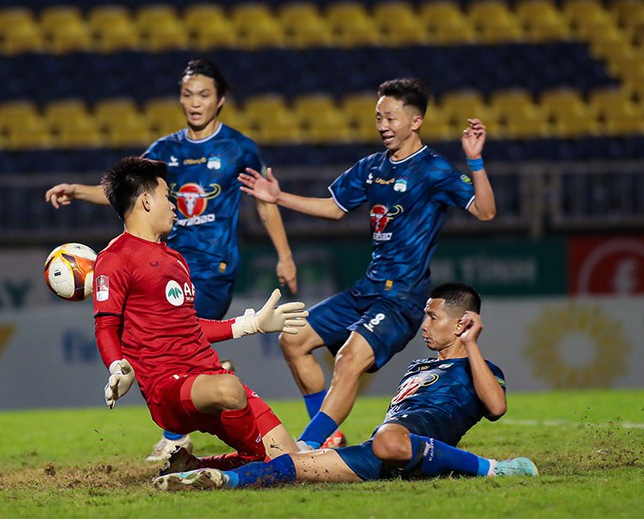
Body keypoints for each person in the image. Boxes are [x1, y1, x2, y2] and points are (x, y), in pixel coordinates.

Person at [45, 58, 298, 460]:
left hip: (211, 268)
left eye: (203, 94)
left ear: (220, 101)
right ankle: (185, 418)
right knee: (165, 337)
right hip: (163, 261)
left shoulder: (240, 148)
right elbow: (126, 191)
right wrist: (77, 190)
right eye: (187, 94)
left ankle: (184, 425)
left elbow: (266, 204)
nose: (194, 102)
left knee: (178, 334)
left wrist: (284, 256)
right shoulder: (164, 152)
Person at [237, 78, 497, 450]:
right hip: (366, 290)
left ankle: (306, 448)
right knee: (292, 339)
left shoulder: (433, 170)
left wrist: (474, 160)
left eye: (390, 117)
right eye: (378, 117)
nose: (382, 125)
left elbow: (486, 211)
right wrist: (278, 197)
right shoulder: (372, 167)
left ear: (415, 121)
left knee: (347, 360)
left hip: (402, 298)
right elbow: (333, 209)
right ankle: (331, 435)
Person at [153, 282, 538, 491]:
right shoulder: (418, 366)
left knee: (388, 439)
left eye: (432, 317)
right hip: (381, 452)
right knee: (288, 465)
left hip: (399, 443)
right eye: (423, 316)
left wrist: (471, 344)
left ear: (460, 323)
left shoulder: (480, 367)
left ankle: (496, 470)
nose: (423, 325)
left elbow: (497, 407)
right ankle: (209, 474)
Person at [94, 156, 308, 471]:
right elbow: (105, 326)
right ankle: (255, 463)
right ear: (146, 201)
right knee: (231, 390)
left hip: (207, 374)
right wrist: (117, 368)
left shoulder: (175, 259)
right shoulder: (114, 258)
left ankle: (193, 466)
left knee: (292, 462)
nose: (174, 205)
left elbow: (189, 326)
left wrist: (252, 324)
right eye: (168, 196)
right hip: (168, 387)